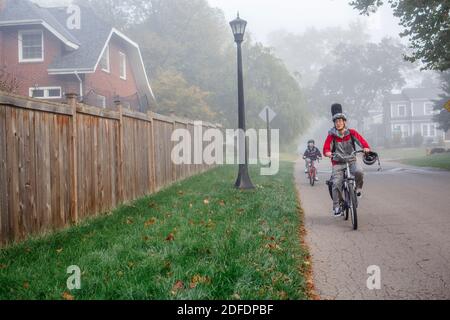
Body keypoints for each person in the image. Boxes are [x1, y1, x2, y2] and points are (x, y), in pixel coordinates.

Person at [323, 104, 371, 217]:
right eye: (336, 121)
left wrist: (365, 147)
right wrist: (327, 152)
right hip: (337, 162)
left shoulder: (352, 133)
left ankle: (358, 189)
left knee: (359, 172)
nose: (338, 123)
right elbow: (326, 147)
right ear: (334, 123)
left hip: (351, 160)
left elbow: (362, 141)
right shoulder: (331, 136)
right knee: (336, 183)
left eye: (340, 121)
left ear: (344, 122)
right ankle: (336, 206)